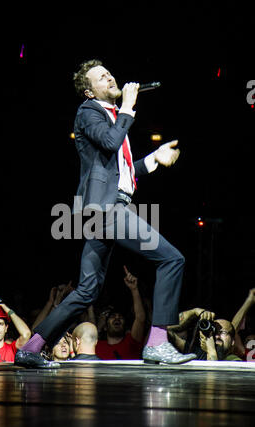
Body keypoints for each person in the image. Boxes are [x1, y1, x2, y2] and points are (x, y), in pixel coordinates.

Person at [15, 59, 196, 368]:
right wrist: (127, 106)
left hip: (106, 207)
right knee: (171, 258)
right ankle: (156, 343)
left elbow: (123, 172)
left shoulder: (112, 118)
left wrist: (154, 159)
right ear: (89, 91)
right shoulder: (89, 113)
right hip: (106, 209)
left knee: (87, 291)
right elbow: (112, 143)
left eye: (110, 72)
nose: (110, 77)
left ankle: (31, 347)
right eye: (102, 77)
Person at [96, 266, 146, 359]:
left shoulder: (131, 342)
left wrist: (134, 289)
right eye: (113, 316)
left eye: (120, 317)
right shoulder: (96, 346)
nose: (117, 318)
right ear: (105, 327)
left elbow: (140, 318)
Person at [167, 308, 242, 361]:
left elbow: (213, 378)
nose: (217, 336)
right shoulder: (198, 354)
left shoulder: (234, 360)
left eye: (223, 332)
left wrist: (210, 348)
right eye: (214, 331)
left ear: (233, 341)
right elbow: (166, 329)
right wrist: (194, 312)